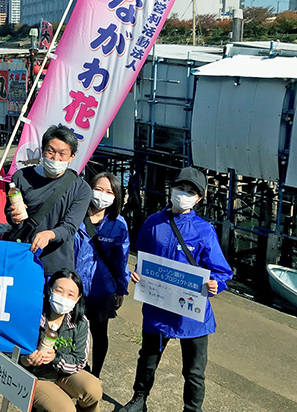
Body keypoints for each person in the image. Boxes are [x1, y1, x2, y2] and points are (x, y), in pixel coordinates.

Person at [118, 167, 233, 412]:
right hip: (158, 308)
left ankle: (192, 409)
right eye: (181, 188)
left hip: (192, 315)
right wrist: (138, 272)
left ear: (199, 198)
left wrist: (216, 284)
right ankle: (139, 399)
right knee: (147, 358)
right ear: (172, 188)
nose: (184, 194)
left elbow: (223, 272)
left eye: (191, 191)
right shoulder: (153, 222)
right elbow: (143, 256)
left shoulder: (204, 231)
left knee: (193, 371)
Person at [6, 125, 92, 277]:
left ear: (72, 156)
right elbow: (10, 213)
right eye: (50, 152)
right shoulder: (21, 177)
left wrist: (50, 234)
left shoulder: (81, 189)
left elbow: (70, 227)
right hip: (22, 256)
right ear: (42, 150)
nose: (55, 159)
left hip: (56, 265)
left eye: (62, 154)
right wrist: (14, 217)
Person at [73, 172, 130, 378]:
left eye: (109, 192)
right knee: (71, 331)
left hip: (101, 289)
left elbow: (121, 260)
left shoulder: (118, 224)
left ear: (116, 197)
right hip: (73, 288)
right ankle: (73, 370)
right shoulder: (75, 214)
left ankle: (95, 374)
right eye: (98, 189)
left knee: (99, 334)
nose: (103, 195)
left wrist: (121, 289)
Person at [20, 269, 102, 412]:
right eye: (59, 291)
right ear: (50, 289)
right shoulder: (32, 315)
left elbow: (80, 360)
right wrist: (26, 360)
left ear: (78, 298)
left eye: (71, 295)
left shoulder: (80, 322)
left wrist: (56, 358)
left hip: (63, 372)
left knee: (93, 389)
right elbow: (10, 350)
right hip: (36, 376)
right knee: (65, 409)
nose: (64, 298)